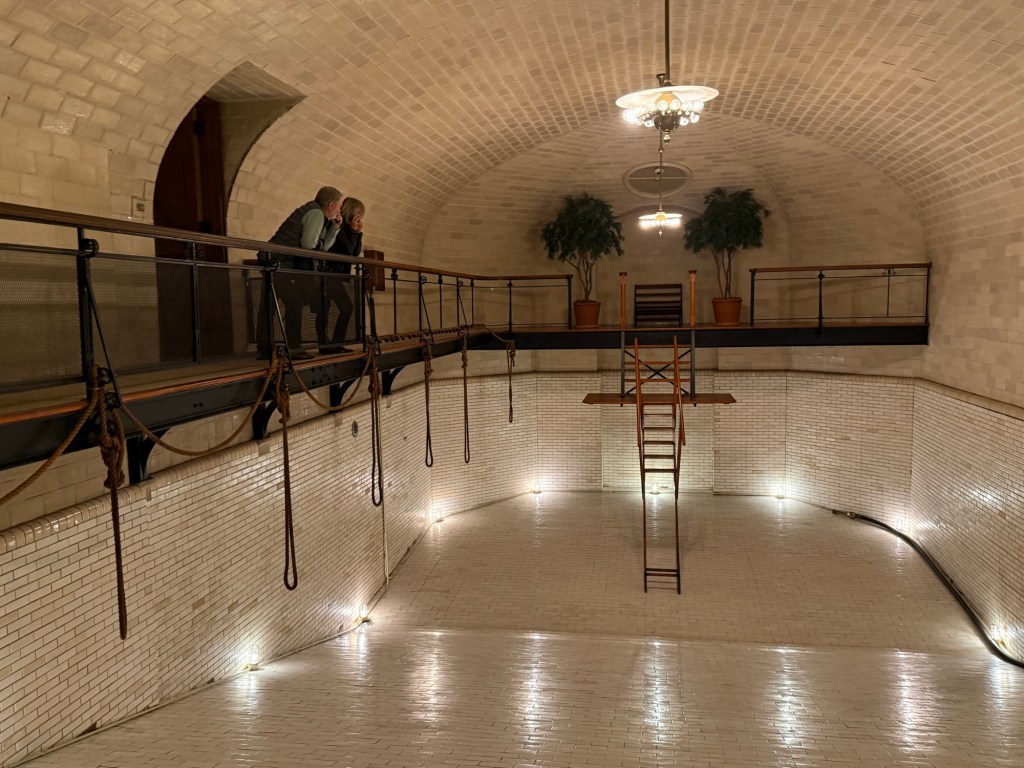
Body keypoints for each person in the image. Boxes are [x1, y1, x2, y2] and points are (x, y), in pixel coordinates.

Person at [256, 186, 343, 357]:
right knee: (293, 303)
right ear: (331, 205)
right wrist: (323, 239)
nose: (340, 210)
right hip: (278, 262)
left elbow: (318, 246)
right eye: (339, 206)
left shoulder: (312, 210)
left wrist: (333, 228)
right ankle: (293, 348)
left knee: (269, 305)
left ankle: (264, 348)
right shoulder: (316, 213)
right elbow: (309, 245)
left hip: (271, 259)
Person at [320, 197, 365, 351]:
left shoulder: (349, 229)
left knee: (341, 308)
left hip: (336, 276)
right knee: (338, 308)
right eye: (358, 212)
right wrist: (353, 231)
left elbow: (355, 253)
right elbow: (348, 251)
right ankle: (327, 344)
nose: (359, 216)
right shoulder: (339, 226)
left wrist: (358, 233)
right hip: (329, 274)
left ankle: (333, 343)